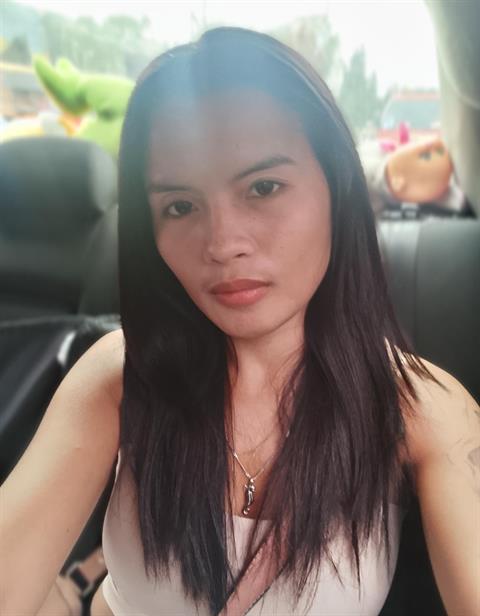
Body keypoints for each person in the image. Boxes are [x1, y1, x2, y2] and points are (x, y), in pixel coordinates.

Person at [1, 27, 478, 616]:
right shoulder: (121, 376)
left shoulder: (419, 406)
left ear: (338, 188)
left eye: (263, 187)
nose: (223, 243)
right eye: (180, 206)